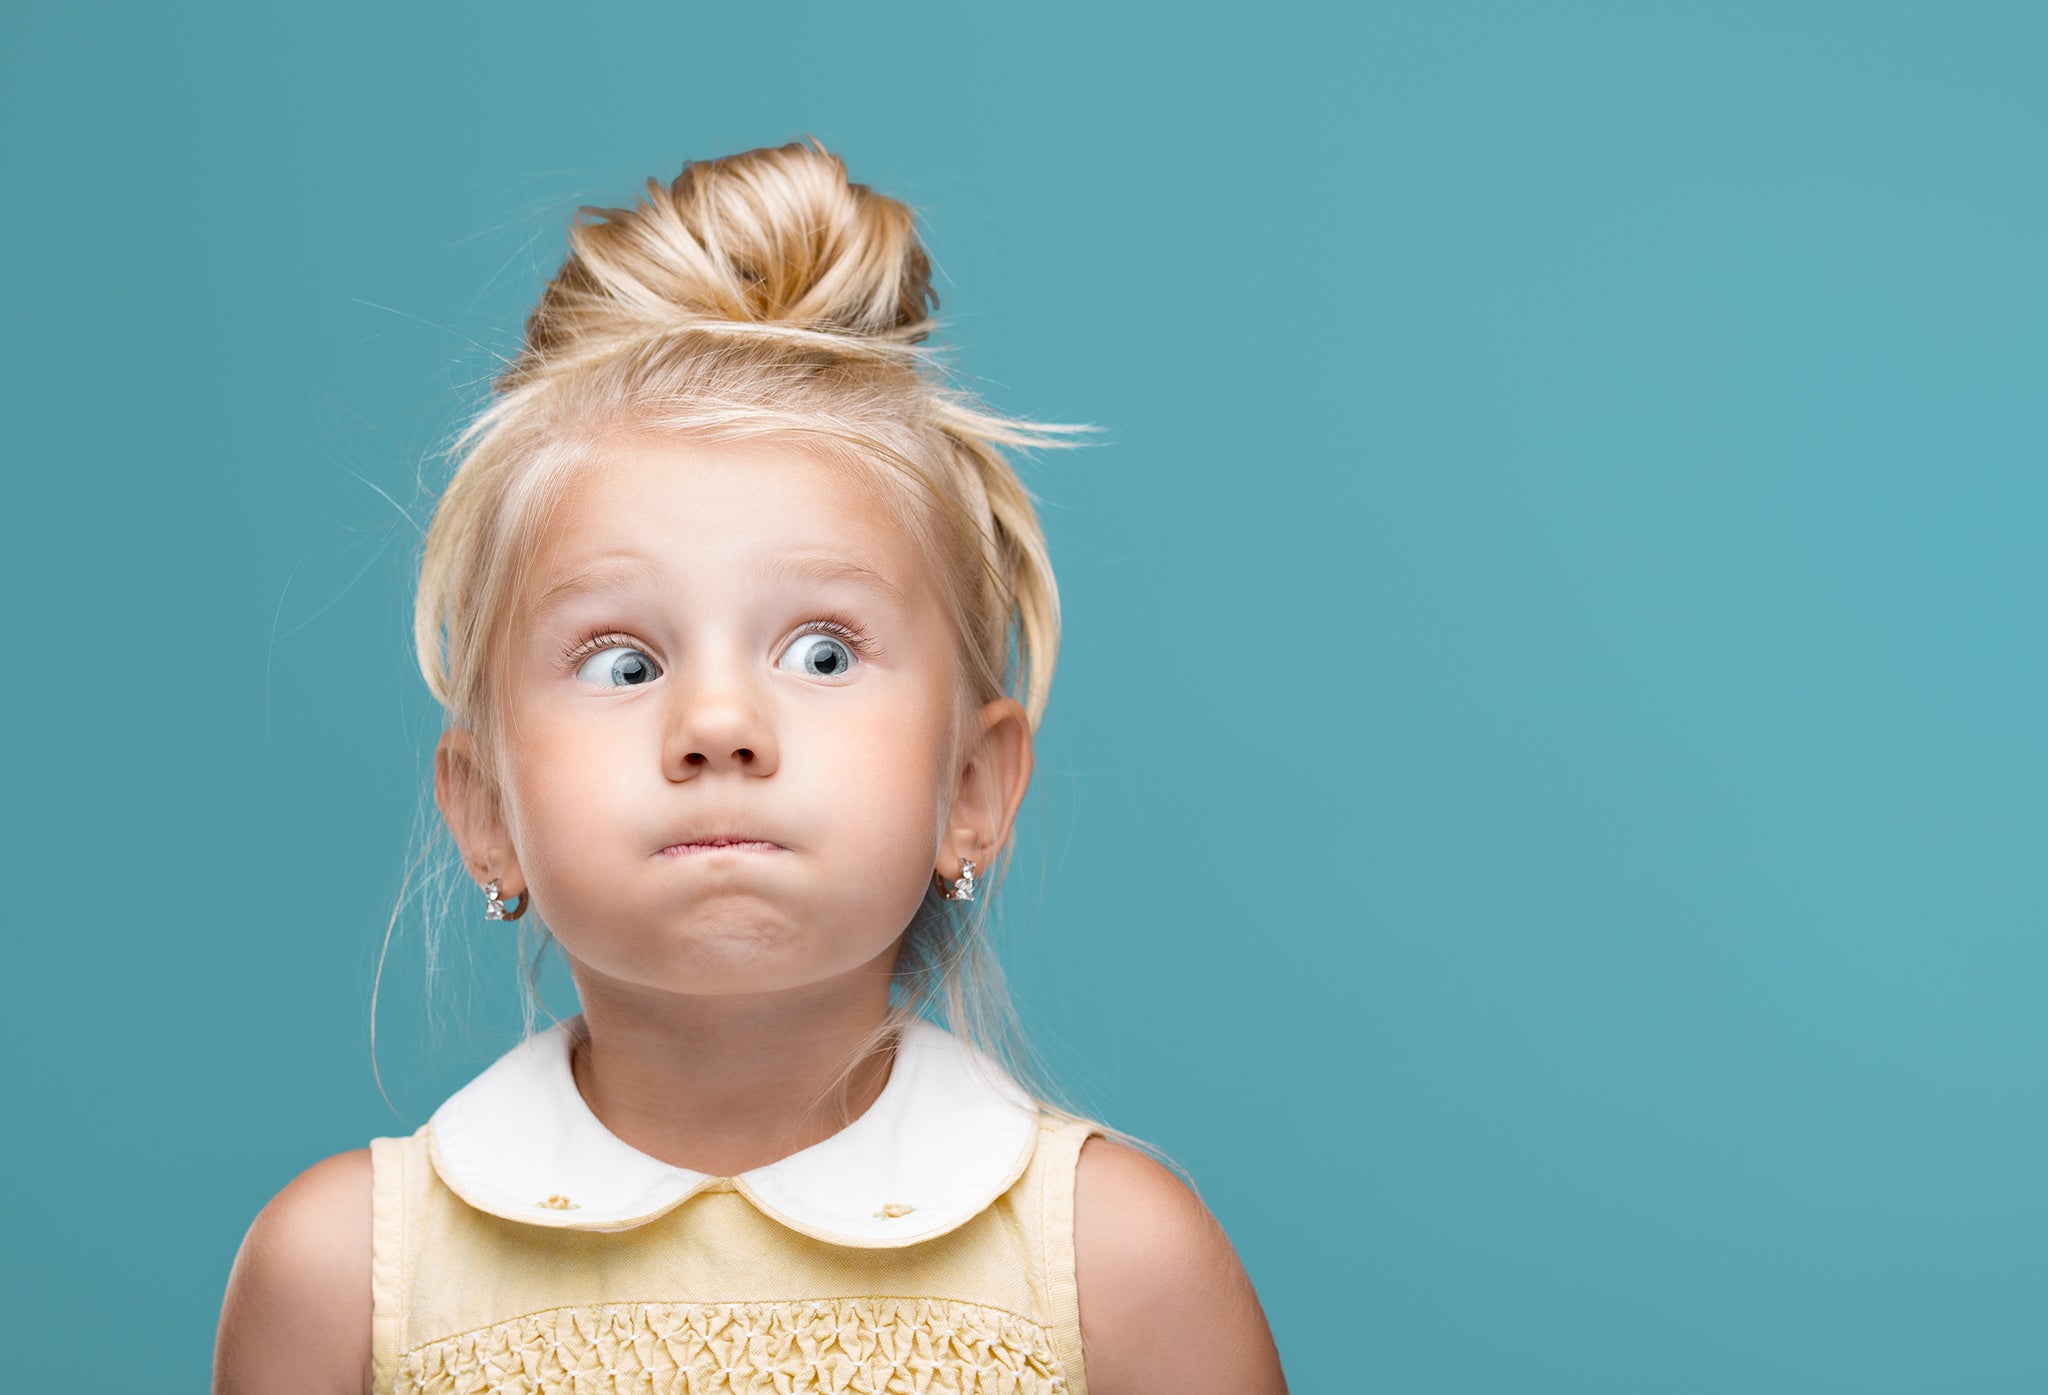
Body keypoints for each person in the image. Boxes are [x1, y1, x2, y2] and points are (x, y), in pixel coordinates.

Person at [213, 140, 1289, 1395]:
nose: (717, 724)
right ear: (486, 812)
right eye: (621, 663)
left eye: (822, 653)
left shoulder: (1120, 1271)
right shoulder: (343, 1280)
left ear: (972, 792)